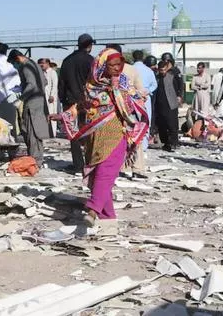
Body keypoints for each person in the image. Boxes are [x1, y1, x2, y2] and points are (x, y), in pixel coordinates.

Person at [52, 48, 148, 225]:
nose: (116, 68)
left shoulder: (122, 83)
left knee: (106, 170)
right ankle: (107, 215)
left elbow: (134, 103)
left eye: (119, 64)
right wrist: (65, 114)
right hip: (95, 137)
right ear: (101, 65)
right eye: (111, 65)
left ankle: (93, 209)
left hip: (117, 132)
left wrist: (123, 92)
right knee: (98, 174)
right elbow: (83, 106)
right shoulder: (91, 86)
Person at [58, 34, 95, 172]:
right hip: (88, 103)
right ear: (89, 46)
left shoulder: (67, 60)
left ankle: (78, 164)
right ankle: (90, 162)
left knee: (73, 133)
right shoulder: (91, 61)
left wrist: (63, 100)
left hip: (70, 102)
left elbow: (62, 83)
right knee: (89, 131)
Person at [9, 50, 50, 166]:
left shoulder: (26, 67)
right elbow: (44, 82)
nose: (14, 67)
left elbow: (31, 85)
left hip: (31, 104)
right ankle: (37, 160)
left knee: (30, 133)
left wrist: (21, 97)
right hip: (40, 102)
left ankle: (34, 161)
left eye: (13, 63)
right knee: (36, 133)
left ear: (17, 58)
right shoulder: (35, 65)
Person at [155, 53, 184, 151]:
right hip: (160, 103)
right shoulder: (158, 76)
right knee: (162, 124)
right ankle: (166, 143)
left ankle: (174, 142)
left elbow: (181, 85)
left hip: (171, 101)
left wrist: (179, 95)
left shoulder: (174, 72)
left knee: (172, 123)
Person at [132, 50, 157, 152]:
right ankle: (144, 146)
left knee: (133, 121)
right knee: (146, 120)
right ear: (143, 58)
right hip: (146, 98)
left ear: (133, 57)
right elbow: (154, 85)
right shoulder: (149, 70)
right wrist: (147, 92)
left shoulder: (130, 69)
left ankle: (133, 144)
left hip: (132, 97)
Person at [39, 58, 59, 137]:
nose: (41, 65)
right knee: (44, 116)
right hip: (42, 97)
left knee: (52, 115)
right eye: (39, 63)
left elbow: (54, 85)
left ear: (47, 63)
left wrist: (52, 95)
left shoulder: (52, 72)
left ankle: (53, 133)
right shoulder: (41, 73)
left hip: (50, 98)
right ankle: (45, 132)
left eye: (42, 63)